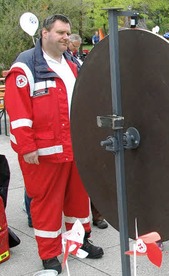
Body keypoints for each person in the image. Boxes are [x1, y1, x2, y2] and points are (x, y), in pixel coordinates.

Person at [4, 14, 104, 273]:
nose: (65, 37)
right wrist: (26, 148)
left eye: (68, 33)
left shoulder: (72, 62)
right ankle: (49, 255)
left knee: (78, 201)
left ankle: (79, 242)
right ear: (44, 33)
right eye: (60, 32)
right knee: (46, 205)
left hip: (74, 148)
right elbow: (18, 113)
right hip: (43, 153)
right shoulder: (25, 66)